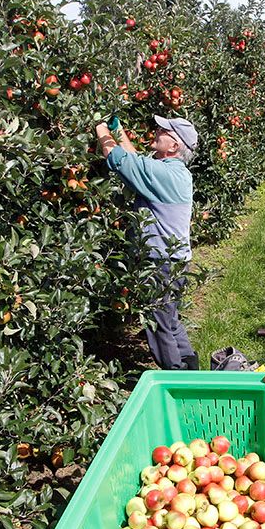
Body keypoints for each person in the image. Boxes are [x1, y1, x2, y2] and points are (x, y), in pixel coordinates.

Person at [95, 115, 200, 370]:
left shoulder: (164, 175)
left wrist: (98, 126)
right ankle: (191, 372)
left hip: (161, 262)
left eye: (163, 130)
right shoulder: (172, 172)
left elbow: (119, 161)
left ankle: (175, 380)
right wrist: (117, 130)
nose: (157, 131)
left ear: (174, 146)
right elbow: (137, 161)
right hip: (174, 262)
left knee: (158, 324)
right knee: (170, 319)